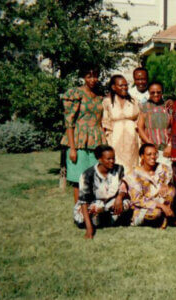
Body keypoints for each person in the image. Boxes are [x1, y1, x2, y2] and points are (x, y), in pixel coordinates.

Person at [60, 67, 106, 203]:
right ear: (83, 77)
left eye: (95, 76)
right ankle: (79, 212)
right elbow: (69, 122)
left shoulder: (99, 95)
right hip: (79, 141)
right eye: (89, 76)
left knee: (95, 178)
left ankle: (92, 211)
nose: (92, 80)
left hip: (96, 140)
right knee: (79, 180)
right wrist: (72, 148)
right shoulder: (76, 93)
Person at [73, 145, 129, 239]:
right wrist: (89, 230)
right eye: (108, 159)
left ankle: (106, 221)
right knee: (98, 206)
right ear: (99, 159)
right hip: (90, 207)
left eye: (113, 158)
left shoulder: (119, 169)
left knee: (126, 203)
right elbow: (84, 202)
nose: (112, 161)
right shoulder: (88, 175)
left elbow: (122, 186)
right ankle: (93, 223)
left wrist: (119, 197)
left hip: (108, 203)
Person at [122, 143, 175, 228]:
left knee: (171, 190)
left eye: (155, 154)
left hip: (160, 201)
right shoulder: (134, 174)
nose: (153, 157)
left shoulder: (162, 168)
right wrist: (161, 206)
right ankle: (140, 221)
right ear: (142, 156)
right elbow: (138, 200)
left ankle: (165, 218)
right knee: (156, 213)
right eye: (149, 154)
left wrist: (165, 184)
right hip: (143, 208)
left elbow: (169, 175)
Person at [102, 75, 140, 175]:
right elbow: (105, 122)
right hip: (115, 138)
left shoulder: (134, 101)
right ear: (113, 87)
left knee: (132, 164)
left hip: (132, 138)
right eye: (121, 85)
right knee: (117, 163)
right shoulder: (107, 102)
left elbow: (140, 120)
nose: (124, 87)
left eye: (125, 85)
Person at [137, 81, 172, 166]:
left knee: (164, 175)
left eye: (158, 92)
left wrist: (170, 146)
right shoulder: (144, 107)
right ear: (149, 92)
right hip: (150, 150)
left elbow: (174, 128)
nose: (156, 94)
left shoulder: (168, 107)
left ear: (162, 92)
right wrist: (149, 144)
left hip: (165, 149)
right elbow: (140, 128)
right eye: (152, 92)